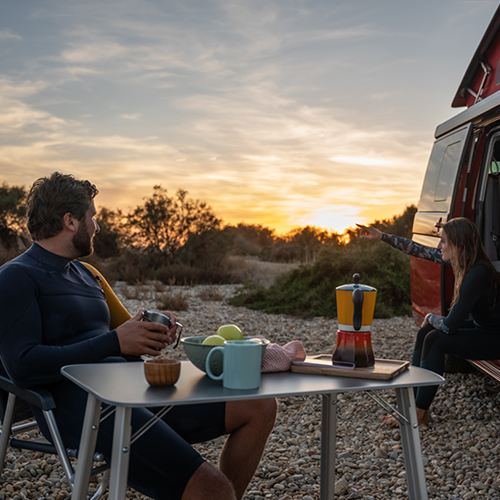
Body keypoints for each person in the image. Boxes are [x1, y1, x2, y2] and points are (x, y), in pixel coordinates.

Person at [0, 172, 277, 500]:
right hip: (82, 406)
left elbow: (124, 331)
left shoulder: (87, 274)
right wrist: (115, 342)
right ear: (70, 221)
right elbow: (23, 365)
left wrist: (148, 331)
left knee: (258, 407)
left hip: (131, 388)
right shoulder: (17, 277)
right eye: (93, 217)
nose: (97, 226)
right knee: (214, 489)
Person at [357, 218, 500, 426]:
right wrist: (381, 236)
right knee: (426, 333)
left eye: (443, 242)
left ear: (458, 244)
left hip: (495, 338)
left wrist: (429, 317)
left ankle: (419, 413)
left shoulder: (478, 273)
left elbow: (450, 325)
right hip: (486, 330)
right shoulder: (463, 260)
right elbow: (417, 250)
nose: (439, 246)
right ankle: (413, 407)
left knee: (436, 339)